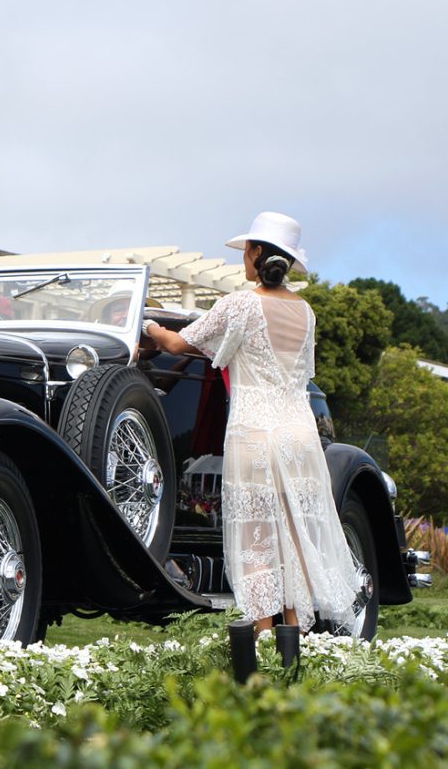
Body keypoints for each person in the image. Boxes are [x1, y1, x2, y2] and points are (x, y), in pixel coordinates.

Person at [144, 211, 359, 635]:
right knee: (294, 535)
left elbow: (177, 343)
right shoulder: (306, 311)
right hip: (299, 434)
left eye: (246, 250)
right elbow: (301, 373)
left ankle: (263, 633)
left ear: (257, 253)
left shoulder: (240, 304)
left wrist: (147, 324)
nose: (244, 257)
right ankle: (294, 633)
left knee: (257, 535)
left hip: (256, 432)